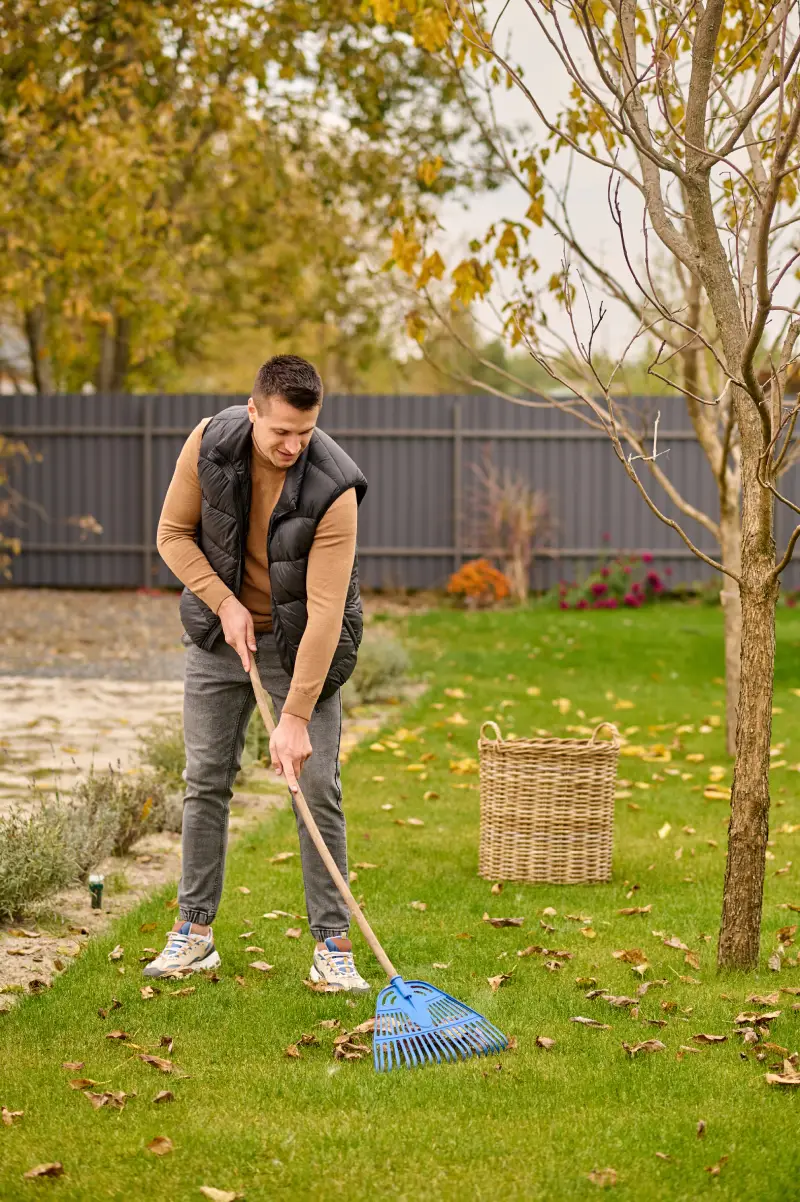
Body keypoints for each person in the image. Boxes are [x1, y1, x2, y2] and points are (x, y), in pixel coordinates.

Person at [148, 354, 369, 992]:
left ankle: (333, 948)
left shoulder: (334, 488)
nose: (292, 446)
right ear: (252, 412)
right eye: (280, 432)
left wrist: (295, 716)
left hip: (302, 641)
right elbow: (172, 534)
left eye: (305, 432)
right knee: (206, 778)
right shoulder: (209, 442)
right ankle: (194, 934)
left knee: (316, 788)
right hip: (221, 633)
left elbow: (327, 610)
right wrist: (225, 603)